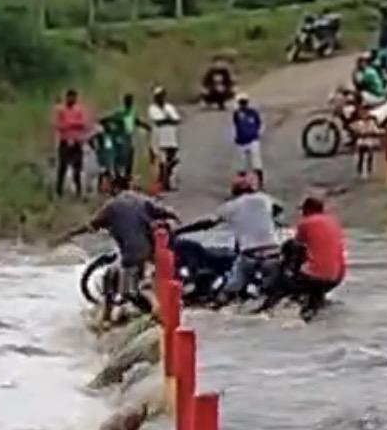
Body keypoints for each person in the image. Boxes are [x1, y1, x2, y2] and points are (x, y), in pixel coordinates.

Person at [58, 176, 180, 318]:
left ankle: (151, 307)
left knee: (122, 285)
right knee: (119, 276)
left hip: (131, 253)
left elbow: (90, 226)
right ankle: (111, 313)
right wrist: (175, 218)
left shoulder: (111, 206)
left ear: (115, 188)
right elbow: (165, 211)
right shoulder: (141, 199)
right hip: (150, 249)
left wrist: (69, 234)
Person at [177, 175, 283, 304]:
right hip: (273, 254)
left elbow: (208, 222)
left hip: (249, 256)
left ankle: (221, 301)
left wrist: (181, 230)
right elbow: (279, 209)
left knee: (228, 288)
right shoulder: (264, 198)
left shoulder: (230, 206)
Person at [263, 194, 346, 321]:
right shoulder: (333, 222)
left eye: (303, 210)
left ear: (307, 209)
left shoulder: (306, 223)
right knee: (314, 295)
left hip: (314, 276)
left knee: (283, 284)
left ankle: (266, 309)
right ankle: (314, 305)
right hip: (336, 276)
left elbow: (295, 246)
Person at [53, 89, 90, 197]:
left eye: (74, 98)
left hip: (77, 142)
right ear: (67, 98)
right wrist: (73, 124)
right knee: (62, 167)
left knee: (77, 168)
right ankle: (59, 191)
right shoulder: (61, 110)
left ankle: (78, 191)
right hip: (65, 141)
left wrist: (68, 124)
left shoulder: (79, 109)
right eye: (70, 97)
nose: (72, 99)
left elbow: (83, 124)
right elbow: (58, 125)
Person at [148, 86, 181, 191]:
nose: (161, 98)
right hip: (159, 140)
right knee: (162, 163)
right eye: (158, 96)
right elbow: (159, 121)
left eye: (162, 95)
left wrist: (167, 120)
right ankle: (161, 182)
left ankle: (168, 182)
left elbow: (177, 119)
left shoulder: (169, 107)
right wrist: (169, 120)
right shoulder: (152, 108)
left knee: (173, 162)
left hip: (171, 139)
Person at [233, 93, 265, 189]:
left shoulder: (240, 113)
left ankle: (249, 182)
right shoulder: (244, 113)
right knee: (251, 163)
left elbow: (236, 125)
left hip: (246, 140)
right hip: (248, 140)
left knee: (246, 163)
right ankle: (254, 182)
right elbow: (259, 124)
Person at [354, 104, 380, 179]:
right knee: (361, 154)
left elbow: (376, 130)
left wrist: (377, 133)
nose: (365, 116)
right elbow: (356, 132)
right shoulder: (359, 123)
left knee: (370, 154)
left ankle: (369, 168)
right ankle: (360, 168)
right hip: (362, 141)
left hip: (369, 141)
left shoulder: (372, 122)